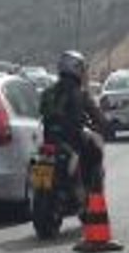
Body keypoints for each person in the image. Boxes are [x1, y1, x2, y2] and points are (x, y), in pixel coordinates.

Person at [40, 50, 106, 193]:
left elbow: (40, 113)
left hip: (49, 138)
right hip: (72, 138)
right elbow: (96, 115)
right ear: (77, 69)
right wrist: (104, 125)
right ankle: (91, 192)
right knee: (95, 152)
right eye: (82, 69)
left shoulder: (48, 92)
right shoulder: (80, 92)